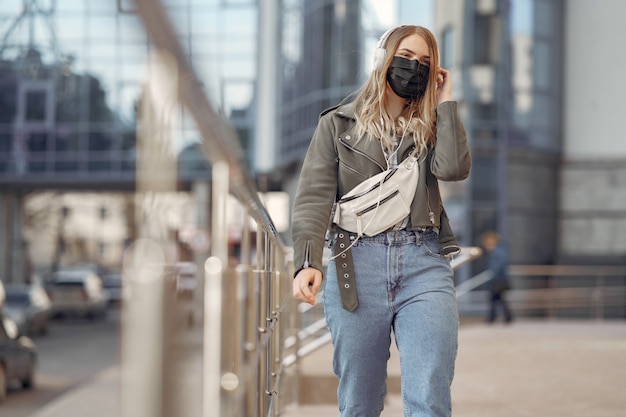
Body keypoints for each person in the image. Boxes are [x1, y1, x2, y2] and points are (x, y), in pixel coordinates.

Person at [291, 25, 471, 416]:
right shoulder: (337, 125)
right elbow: (312, 198)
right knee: (360, 401)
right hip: (355, 264)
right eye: (406, 57)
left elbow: (454, 170)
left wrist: (446, 104)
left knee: (430, 394)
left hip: (424, 260)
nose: (415, 68)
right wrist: (306, 262)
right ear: (382, 59)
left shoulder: (434, 125)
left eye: (425, 62)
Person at [480, 230, 514, 324]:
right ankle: (502, 317)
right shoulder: (494, 253)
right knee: (497, 299)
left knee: (496, 299)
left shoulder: (498, 252)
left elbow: (500, 265)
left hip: (499, 280)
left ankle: (495, 318)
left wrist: (493, 273)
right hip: (496, 280)